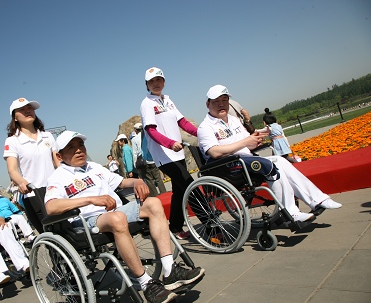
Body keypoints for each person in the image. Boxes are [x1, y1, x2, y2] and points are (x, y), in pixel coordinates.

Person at [44, 130, 205, 303]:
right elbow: (51, 207)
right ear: (59, 155)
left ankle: (170, 270)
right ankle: (146, 284)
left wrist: (137, 182)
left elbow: (121, 182)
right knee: (117, 218)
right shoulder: (57, 177)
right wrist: (90, 199)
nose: (78, 150)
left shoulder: (95, 168)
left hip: (115, 211)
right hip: (89, 221)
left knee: (153, 203)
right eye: (71, 147)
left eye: (80, 145)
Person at [197, 84, 342, 228]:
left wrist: (255, 139)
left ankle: (318, 200)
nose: (221, 105)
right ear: (208, 104)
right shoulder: (205, 127)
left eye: (224, 100)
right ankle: (291, 212)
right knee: (270, 165)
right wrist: (245, 142)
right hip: (228, 166)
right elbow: (214, 152)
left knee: (281, 160)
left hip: (246, 159)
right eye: (216, 102)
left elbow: (247, 145)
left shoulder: (234, 120)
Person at [140, 67, 198, 239]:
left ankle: (174, 227)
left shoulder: (168, 100)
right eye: (152, 81)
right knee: (190, 186)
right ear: (147, 85)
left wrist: (201, 133)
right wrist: (170, 143)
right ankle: (212, 226)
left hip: (177, 154)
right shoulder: (147, 103)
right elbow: (150, 130)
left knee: (180, 192)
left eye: (159, 80)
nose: (156, 84)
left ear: (164, 82)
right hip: (164, 156)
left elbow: (183, 122)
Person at [4, 97, 60, 234]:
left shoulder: (47, 136)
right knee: (50, 233)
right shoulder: (12, 141)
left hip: (55, 188)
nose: (28, 111)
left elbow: (58, 162)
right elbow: (12, 169)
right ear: (15, 118)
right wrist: (21, 182)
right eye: (22, 110)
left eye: (30, 108)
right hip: (34, 192)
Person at [132, 122, 167, 197]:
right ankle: (164, 193)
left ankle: (155, 196)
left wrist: (135, 164)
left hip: (143, 161)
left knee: (149, 179)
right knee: (158, 178)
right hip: (153, 159)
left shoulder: (134, 139)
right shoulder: (148, 135)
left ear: (136, 130)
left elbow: (135, 153)